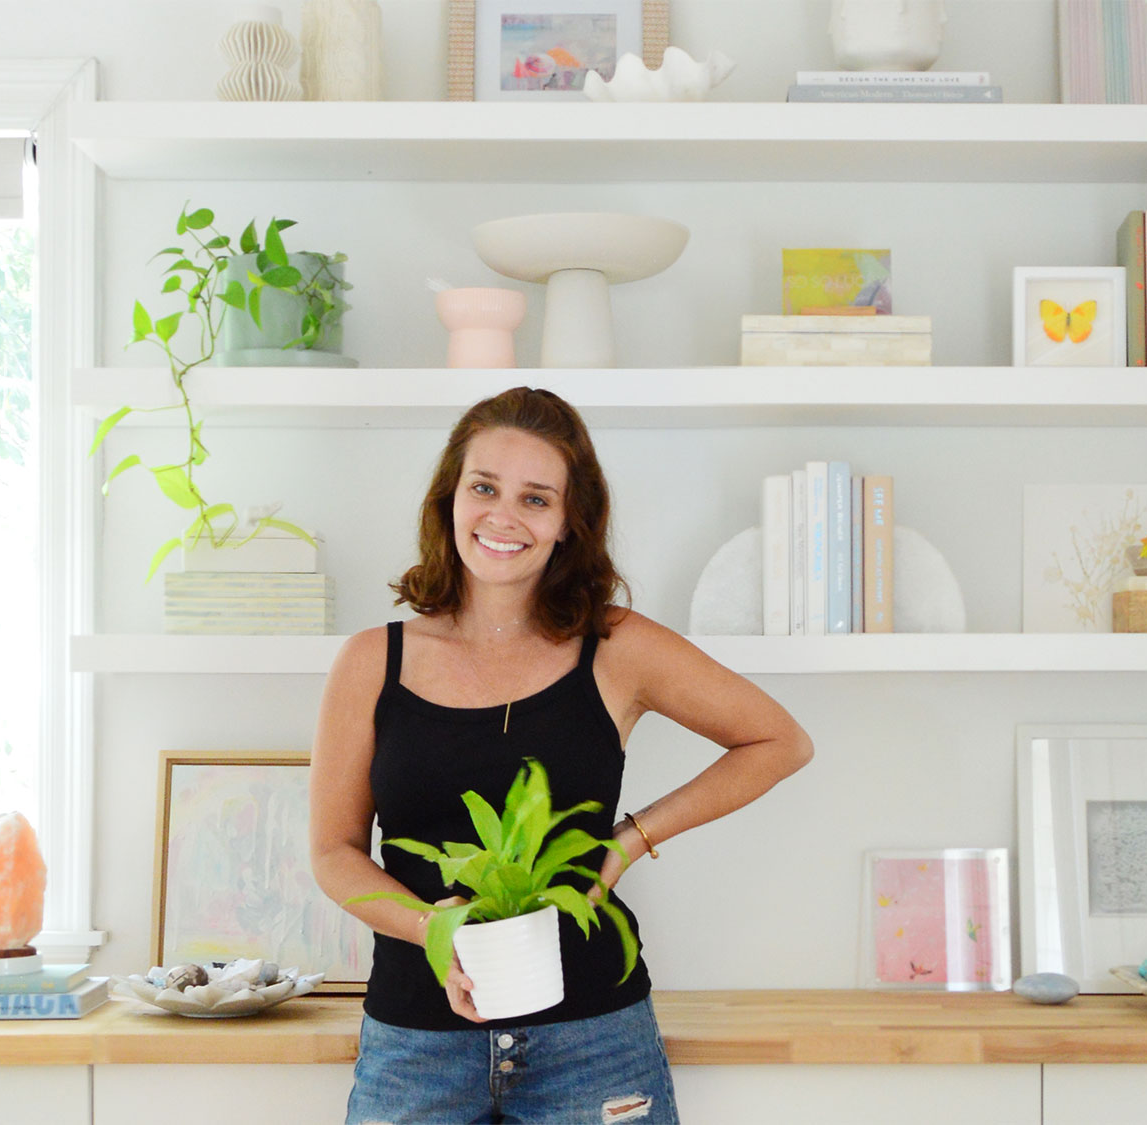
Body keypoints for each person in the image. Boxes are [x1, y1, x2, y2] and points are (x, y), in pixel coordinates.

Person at [310, 386, 813, 1125]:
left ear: (568, 523)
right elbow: (333, 850)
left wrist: (630, 841)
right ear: (450, 497)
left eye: (536, 498)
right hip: (416, 1048)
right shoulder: (370, 661)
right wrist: (433, 929)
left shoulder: (616, 648)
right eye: (484, 487)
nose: (503, 516)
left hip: (593, 1042)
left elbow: (779, 741)